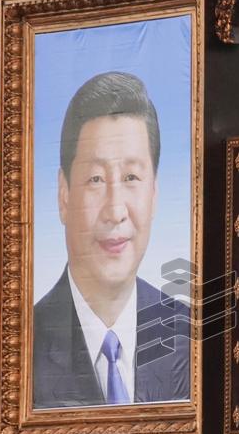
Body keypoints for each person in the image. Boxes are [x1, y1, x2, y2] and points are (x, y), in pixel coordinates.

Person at [33, 71, 190, 408]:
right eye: (96, 179)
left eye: (131, 177)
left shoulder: (190, 337)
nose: (115, 210)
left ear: (155, 193)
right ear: (64, 195)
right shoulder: (25, 344)